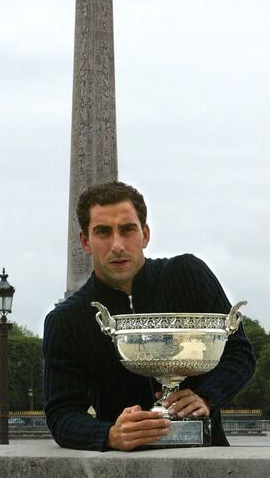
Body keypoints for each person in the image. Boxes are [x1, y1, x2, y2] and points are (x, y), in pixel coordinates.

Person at [43, 182, 255, 451]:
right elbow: (61, 415)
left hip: (205, 459)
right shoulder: (66, 320)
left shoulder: (188, 275)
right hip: (123, 466)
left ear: (145, 234)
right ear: (85, 241)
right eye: (103, 232)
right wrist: (109, 434)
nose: (117, 245)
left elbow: (239, 353)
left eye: (127, 230)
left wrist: (207, 397)